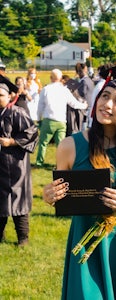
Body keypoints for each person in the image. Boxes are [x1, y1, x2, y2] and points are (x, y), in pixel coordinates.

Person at [43, 61, 116, 299]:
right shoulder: (69, 146)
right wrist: (51, 196)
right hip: (86, 242)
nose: (107, 104)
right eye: (105, 96)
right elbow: (63, 195)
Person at [0, 75, 38, 246]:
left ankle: (23, 238)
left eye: (0, 95)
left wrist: (12, 141)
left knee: (18, 201)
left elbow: (32, 133)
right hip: (1, 166)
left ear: (9, 96)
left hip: (16, 165)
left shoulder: (17, 112)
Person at [35, 69, 88, 167]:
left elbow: (40, 106)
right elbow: (74, 104)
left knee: (43, 143)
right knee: (61, 145)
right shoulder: (65, 90)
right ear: (61, 78)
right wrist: (84, 106)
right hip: (61, 121)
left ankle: (39, 162)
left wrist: (38, 118)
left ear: (51, 78)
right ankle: (60, 164)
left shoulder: (46, 89)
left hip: (48, 119)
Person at [75, 63, 95, 130]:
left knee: (83, 123)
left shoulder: (83, 81)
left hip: (85, 106)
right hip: (90, 104)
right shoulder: (89, 80)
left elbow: (81, 94)